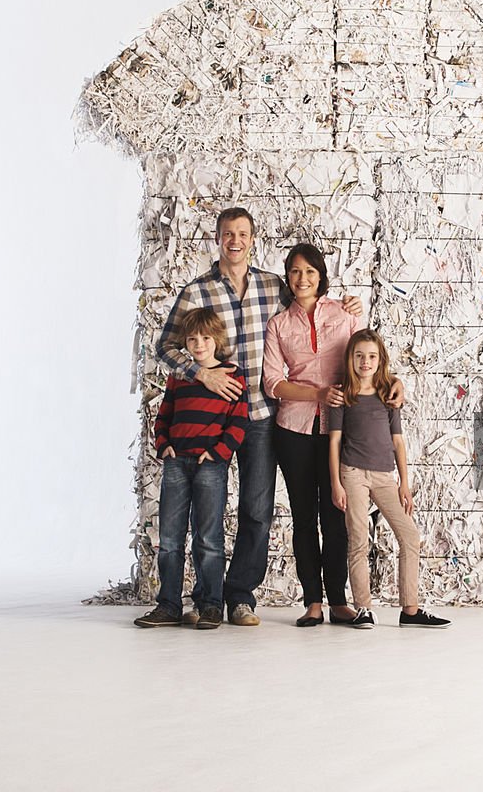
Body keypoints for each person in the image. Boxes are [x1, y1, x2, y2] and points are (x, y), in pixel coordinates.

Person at [156, 207, 364, 627]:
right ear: (217, 238)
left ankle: (240, 597)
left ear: (253, 239)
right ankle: (207, 599)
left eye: (243, 233)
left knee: (257, 510)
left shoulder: (273, 287)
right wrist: (204, 375)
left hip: (261, 417)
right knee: (207, 514)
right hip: (209, 418)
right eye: (228, 233)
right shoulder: (196, 291)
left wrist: (349, 302)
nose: (235, 240)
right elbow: (165, 347)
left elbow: (312, 307)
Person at [262, 243, 361, 626]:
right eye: (294, 272)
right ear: (288, 277)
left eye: (309, 272)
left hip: (339, 429)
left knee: (336, 515)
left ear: (321, 276)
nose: (302, 279)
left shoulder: (344, 314)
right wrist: (316, 394)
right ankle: (313, 602)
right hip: (294, 431)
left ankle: (338, 599)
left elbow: (366, 360)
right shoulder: (279, 325)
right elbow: (273, 382)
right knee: (304, 517)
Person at [135, 307, 249, 630]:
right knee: (170, 538)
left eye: (205, 338)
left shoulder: (233, 375)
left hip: (210, 465)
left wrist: (218, 453)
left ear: (217, 340)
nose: (199, 344)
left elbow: (238, 421)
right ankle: (168, 605)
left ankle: (210, 604)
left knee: (208, 537)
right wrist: (164, 445)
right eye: (193, 339)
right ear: (185, 342)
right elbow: (164, 416)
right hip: (177, 463)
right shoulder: (180, 376)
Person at [329, 330, 450, 629]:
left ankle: (410, 610)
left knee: (409, 535)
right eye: (359, 356)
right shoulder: (342, 395)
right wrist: (336, 483)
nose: (365, 362)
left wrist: (404, 484)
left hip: (385, 476)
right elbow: (334, 442)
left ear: (380, 359)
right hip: (352, 474)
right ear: (351, 359)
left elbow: (398, 443)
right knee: (358, 539)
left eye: (371, 356)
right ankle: (363, 609)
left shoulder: (388, 395)